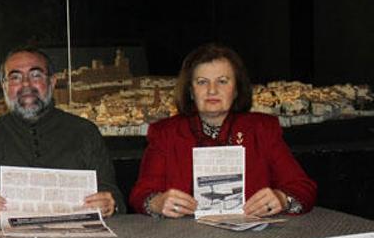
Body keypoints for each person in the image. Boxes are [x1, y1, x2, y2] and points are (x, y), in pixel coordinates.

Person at [129, 43, 316, 217]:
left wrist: (283, 199)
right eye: (202, 82)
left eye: (223, 81)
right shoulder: (165, 133)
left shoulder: (262, 129)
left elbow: (303, 188)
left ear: (236, 90)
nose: (212, 90)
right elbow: (141, 194)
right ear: (190, 91)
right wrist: (156, 202)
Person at [0, 45, 124, 220]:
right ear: (4, 86)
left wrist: (110, 204)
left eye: (35, 75)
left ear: (52, 82)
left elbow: (115, 198)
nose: (26, 84)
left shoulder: (85, 133)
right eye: (15, 77)